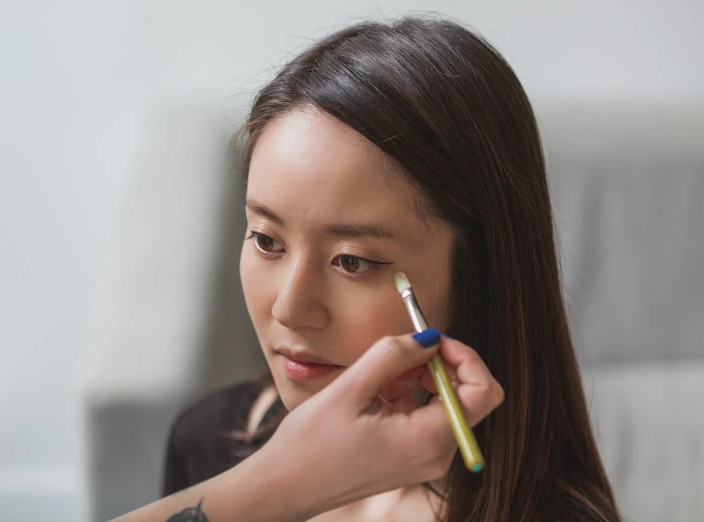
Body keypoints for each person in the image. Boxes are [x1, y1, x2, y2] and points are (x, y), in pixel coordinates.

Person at [118, 16, 621, 522]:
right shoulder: (208, 440)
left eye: (352, 261)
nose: (290, 308)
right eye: (267, 240)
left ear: (481, 269)